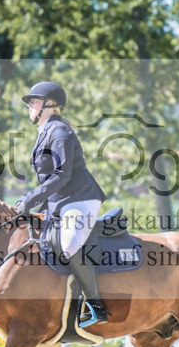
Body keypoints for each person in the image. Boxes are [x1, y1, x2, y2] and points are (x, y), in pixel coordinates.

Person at [16, 81, 109, 326]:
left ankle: (96, 305)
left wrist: (30, 198)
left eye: (33, 102)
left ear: (49, 105)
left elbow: (61, 175)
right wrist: (34, 208)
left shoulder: (60, 132)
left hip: (81, 199)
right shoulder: (46, 132)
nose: (29, 106)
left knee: (67, 246)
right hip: (61, 202)